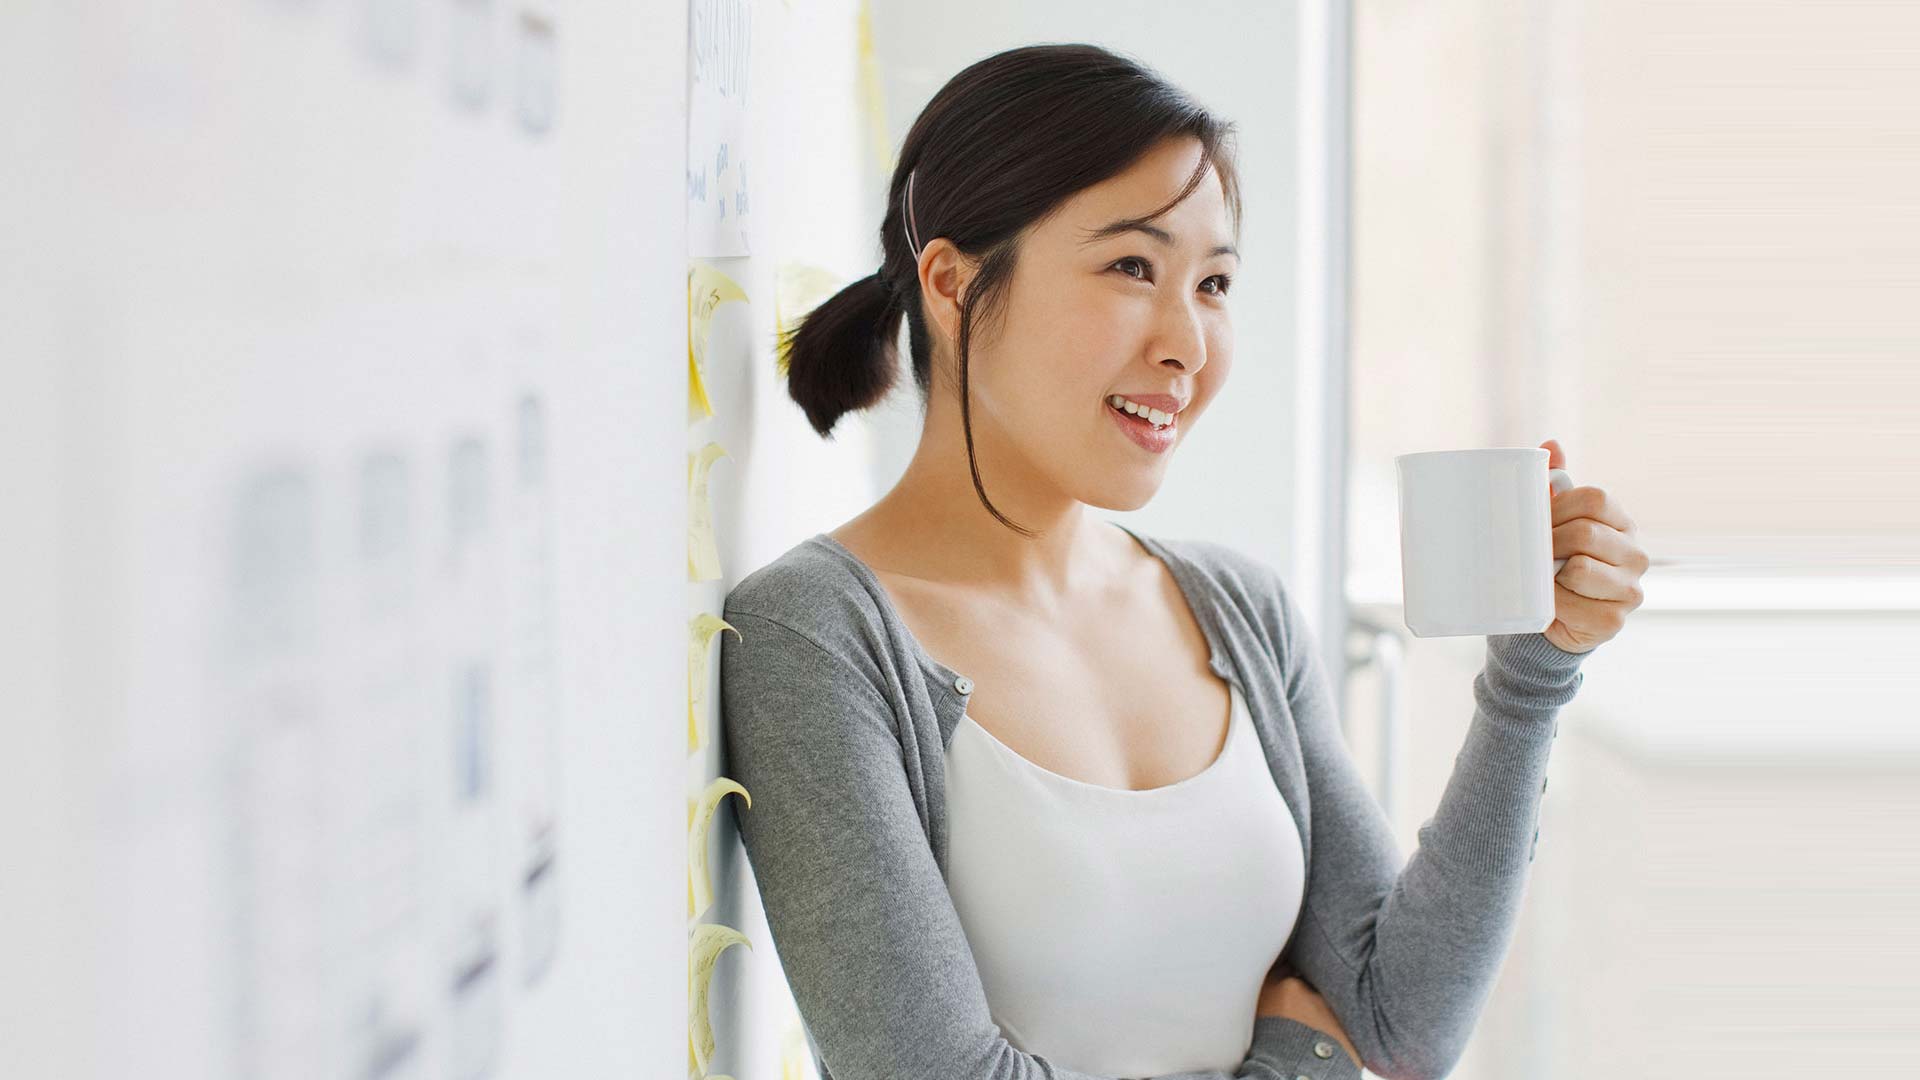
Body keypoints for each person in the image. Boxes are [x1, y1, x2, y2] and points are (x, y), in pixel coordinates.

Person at [720, 42, 1647, 1080]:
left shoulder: (1234, 608)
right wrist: (1298, 1063)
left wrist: (1534, 670)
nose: (1189, 344)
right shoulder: (815, 637)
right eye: (1131, 267)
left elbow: (1401, 1016)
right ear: (953, 281)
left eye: (1214, 283)